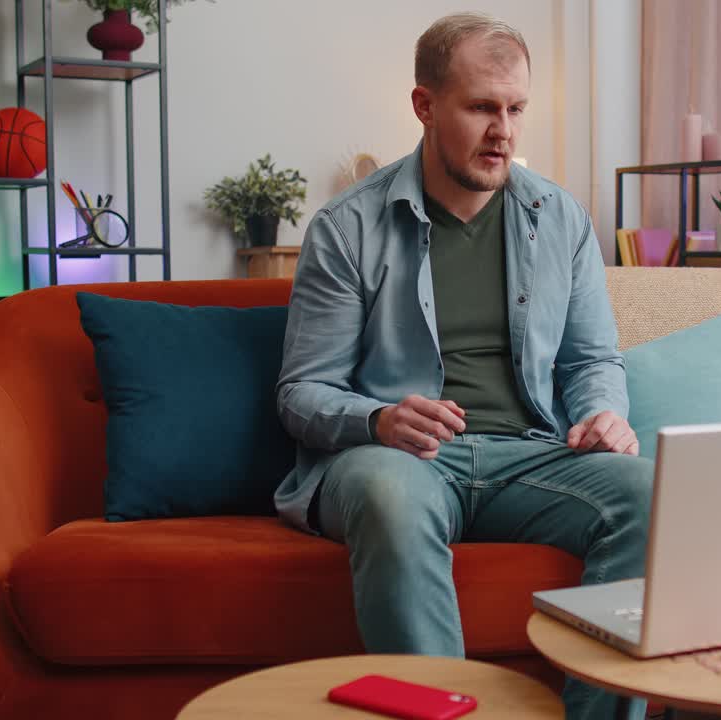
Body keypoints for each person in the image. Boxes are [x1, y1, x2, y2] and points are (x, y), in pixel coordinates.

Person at [274, 12, 652, 719]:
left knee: (650, 492)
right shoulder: (348, 227)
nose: (503, 130)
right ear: (425, 105)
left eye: (515, 109)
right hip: (400, 460)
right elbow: (301, 394)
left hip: (529, 456)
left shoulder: (561, 219)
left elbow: (592, 358)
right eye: (482, 107)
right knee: (389, 494)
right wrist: (378, 418)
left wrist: (607, 412)